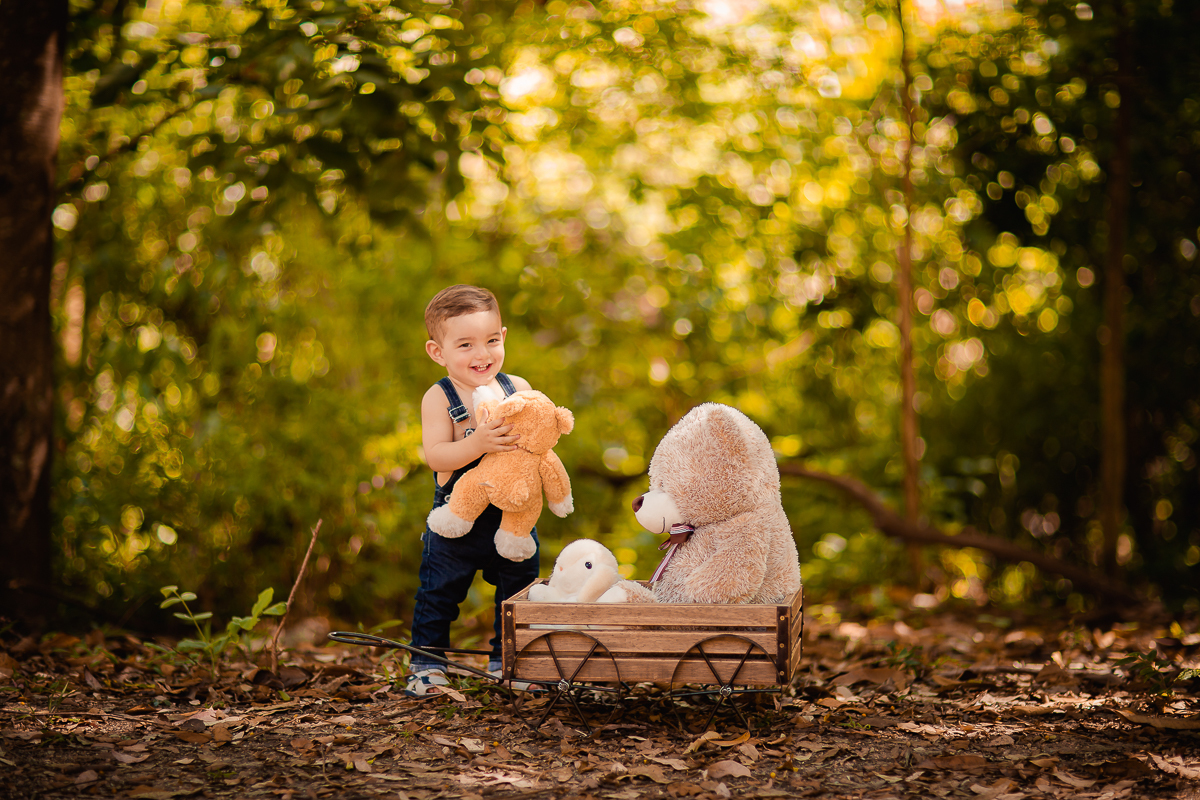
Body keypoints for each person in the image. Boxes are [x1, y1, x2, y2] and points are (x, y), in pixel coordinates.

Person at [405, 284, 539, 697]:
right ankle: (427, 665)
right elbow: (436, 456)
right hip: (456, 518)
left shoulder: (517, 387)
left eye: (492, 340)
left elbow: (539, 440)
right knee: (439, 591)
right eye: (465, 345)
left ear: (504, 337)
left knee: (518, 591)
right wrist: (477, 442)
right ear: (438, 352)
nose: (482, 354)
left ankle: (511, 661)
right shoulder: (439, 397)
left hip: (513, 515)